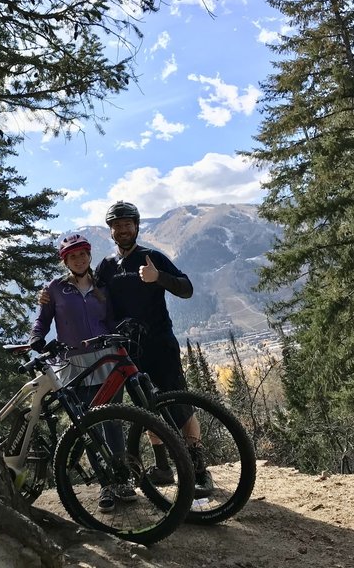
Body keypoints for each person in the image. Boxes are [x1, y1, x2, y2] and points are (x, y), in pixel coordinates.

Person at [94, 200, 213, 497]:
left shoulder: (151, 257)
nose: (122, 230)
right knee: (147, 408)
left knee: (180, 407)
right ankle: (163, 468)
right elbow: (88, 293)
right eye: (117, 226)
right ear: (111, 231)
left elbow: (186, 288)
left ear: (136, 226)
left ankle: (199, 469)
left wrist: (158, 277)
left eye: (127, 224)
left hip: (160, 344)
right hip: (129, 352)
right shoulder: (107, 266)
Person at [29, 233, 136, 513]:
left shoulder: (101, 285)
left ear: (89, 256)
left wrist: (120, 331)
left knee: (113, 418)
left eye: (83, 254)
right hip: (74, 365)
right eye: (72, 256)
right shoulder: (54, 289)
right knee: (89, 425)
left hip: (105, 360)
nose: (79, 259)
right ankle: (106, 485)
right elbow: (41, 321)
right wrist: (36, 340)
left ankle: (123, 479)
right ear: (65, 261)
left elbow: (109, 319)